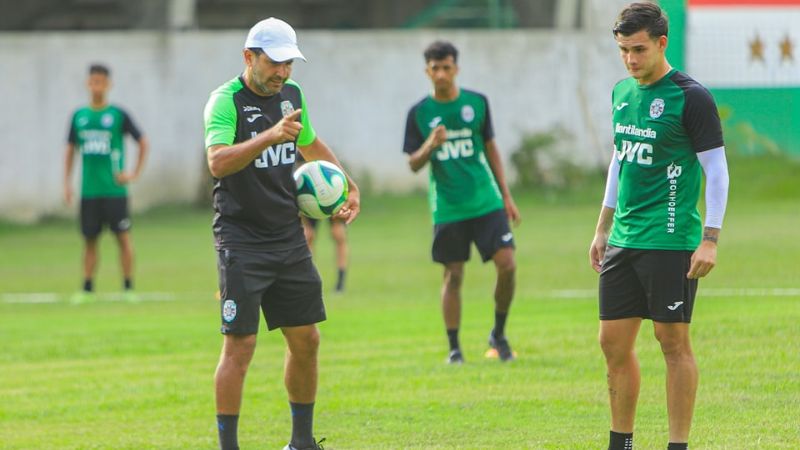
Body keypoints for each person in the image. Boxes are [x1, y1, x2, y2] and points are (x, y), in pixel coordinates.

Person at [203, 17, 360, 450]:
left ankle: (302, 442)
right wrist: (270, 135)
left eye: (289, 63)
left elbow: (309, 142)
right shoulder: (224, 102)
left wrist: (347, 181)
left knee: (307, 338)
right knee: (241, 345)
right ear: (249, 57)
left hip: (288, 236)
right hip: (241, 240)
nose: (283, 72)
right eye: (275, 63)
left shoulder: (293, 95)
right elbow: (217, 162)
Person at [588, 3, 730, 450]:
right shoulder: (621, 93)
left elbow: (718, 171)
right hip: (623, 240)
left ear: (662, 43)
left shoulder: (691, 97)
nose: (631, 60)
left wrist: (710, 239)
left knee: (672, 342)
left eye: (639, 49)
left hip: (671, 241)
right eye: (624, 51)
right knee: (611, 344)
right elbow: (620, 159)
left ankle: (677, 444)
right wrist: (602, 227)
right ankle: (621, 442)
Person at [402, 41, 521, 364]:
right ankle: (454, 348)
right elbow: (413, 164)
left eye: (447, 67)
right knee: (453, 276)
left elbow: (491, 149)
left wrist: (506, 196)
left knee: (507, 265)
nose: (441, 74)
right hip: (449, 206)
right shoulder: (419, 113)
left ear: (456, 68)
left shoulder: (477, 103)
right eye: (435, 68)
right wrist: (430, 144)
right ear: (427, 71)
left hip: (486, 200)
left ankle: (498, 333)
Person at [63, 63, 149, 303]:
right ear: (87, 84)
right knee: (90, 240)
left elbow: (143, 142)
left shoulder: (118, 115)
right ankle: (87, 288)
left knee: (123, 238)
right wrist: (67, 183)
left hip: (115, 190)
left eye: (101, 81)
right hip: (89, 191)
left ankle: (128, 287)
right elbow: (70, 150)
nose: (96, 86)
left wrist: (133, 173)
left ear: (108, 84)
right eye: (93, 81)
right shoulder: (79, 117)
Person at [301, 216, 348, 293]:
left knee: (338, 233)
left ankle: (340, 282)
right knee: (307, 235)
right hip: (310, 204)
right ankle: (308, 279)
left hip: (332, 204)